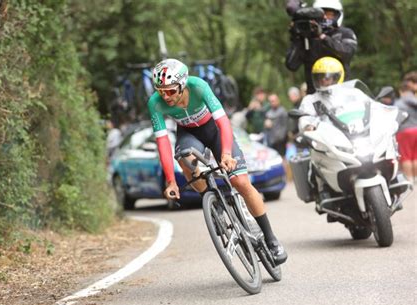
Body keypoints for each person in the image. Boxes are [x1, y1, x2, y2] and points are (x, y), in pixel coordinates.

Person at [147, 59, 287, 264]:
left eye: (170, 91)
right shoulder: (155, 103)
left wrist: (227, 153)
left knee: (241, 183)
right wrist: (170, 180)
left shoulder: (199, 86)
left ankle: (271, 239)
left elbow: (223, 122)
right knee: (184, 157)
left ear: (183, 84)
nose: (165, 96)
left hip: (214, 130)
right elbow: (162, 143)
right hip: (189, 134)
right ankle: (212, 200)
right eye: (161, 91)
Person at [285, 0, 358, 94]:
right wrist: (297, 38)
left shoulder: (345, 33)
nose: (325, 18)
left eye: (329, 14)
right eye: (321, 15)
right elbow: (292, 65)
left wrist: (323, 38)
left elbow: (347, 52)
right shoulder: (308, 37)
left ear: (337, 15)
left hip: (341, 94)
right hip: (315, 97)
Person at [394, 76, 417, 182]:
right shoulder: (413, 100)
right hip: (415, 129)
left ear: (401, 91)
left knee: (406, 157)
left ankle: (410, 180)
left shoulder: (398, 103)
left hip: (404, 132)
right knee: (415, 156)